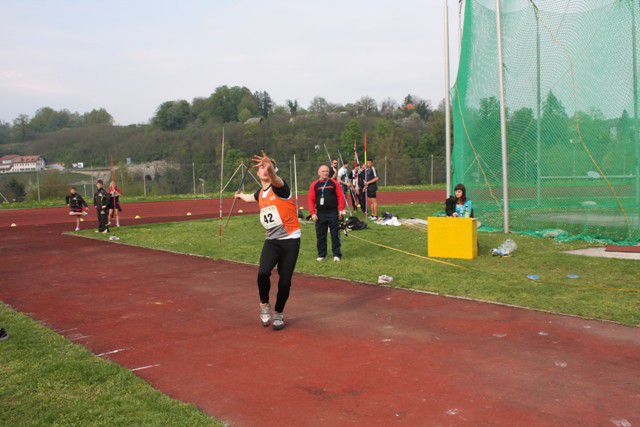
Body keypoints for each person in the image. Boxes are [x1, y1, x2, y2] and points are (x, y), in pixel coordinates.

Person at [234, 152, 300, 331]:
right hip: (272, 241)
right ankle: (264, 305)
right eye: (261, 167)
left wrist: (269, 167)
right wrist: (240, 196)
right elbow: (251, 198)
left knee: (285, 282)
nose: (263, 169)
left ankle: (278, 312)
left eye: (267, 166)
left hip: (290, 240)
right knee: (263, 273)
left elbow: (275, 179)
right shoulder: (261, 192)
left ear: (272, 169)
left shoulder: (281, 187)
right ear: (257, 173)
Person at [308, 165, 346, 262]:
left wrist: (341, 209)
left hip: (333, 212)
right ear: (319, 172)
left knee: (335, 234)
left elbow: (340, 196)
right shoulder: (314, 184)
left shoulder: (334, 183)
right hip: (320, 213)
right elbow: (311, 200)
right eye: (323, 171)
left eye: (327, 171)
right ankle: (322, 255)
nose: (325, 173)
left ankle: (337, 254)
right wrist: (312, 213)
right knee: (321, 235)